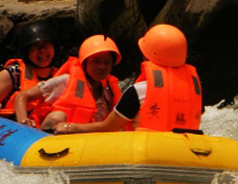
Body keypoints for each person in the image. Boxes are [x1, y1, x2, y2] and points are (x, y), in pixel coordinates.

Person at [52, 24, 202, 135]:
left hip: (148, 151)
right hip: (185, 150)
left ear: (147, 56)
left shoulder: (139, 91)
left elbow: (108, 127)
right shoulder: (194, 88)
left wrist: (69, 127)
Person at [14, 35, 124, 131]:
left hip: (87, 143)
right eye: (96, 61)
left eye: (107, 62)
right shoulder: (65, 81)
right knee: (57, 117)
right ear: (84, 63)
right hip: (54, 139)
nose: (102, 67)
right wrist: (24, 122)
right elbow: (22, 96)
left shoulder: (110, 92)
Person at [0, 22, 57, 122]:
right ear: (26, 52)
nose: (42, 51)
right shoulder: (12, 75)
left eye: (46, 45)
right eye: (35, 47)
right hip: (14, 126)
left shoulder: (59, 75)